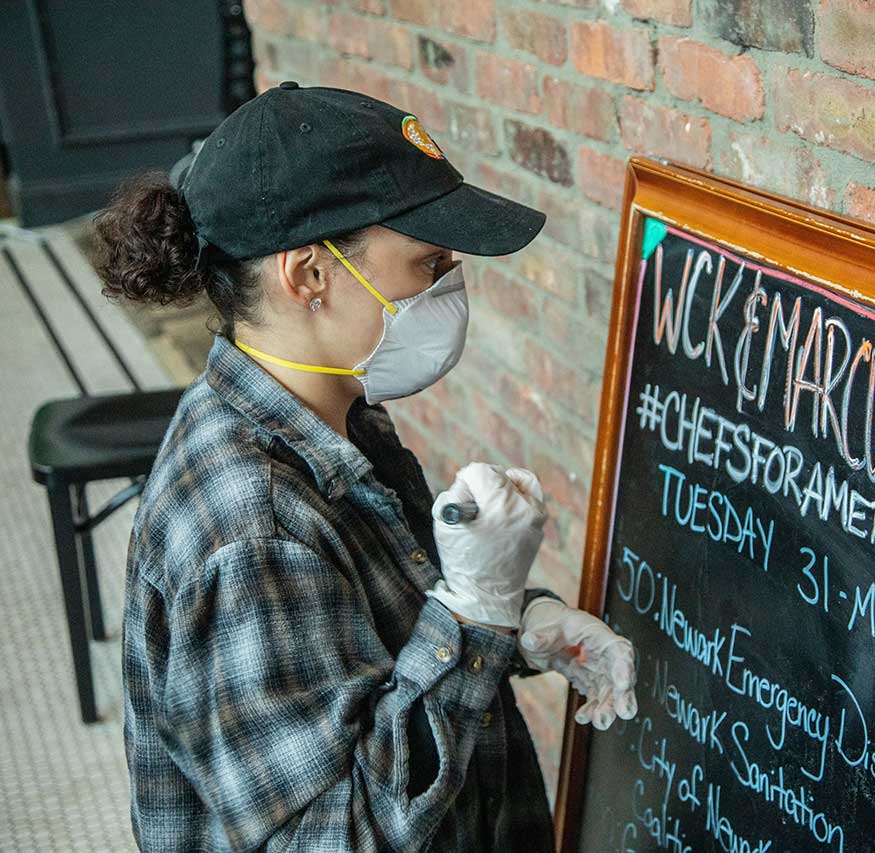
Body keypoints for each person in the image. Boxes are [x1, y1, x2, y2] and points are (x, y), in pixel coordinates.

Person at [90, 81, 637, 852]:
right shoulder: (254, 527)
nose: (449, 286)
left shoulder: (336, 415)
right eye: (428, 262)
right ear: (307, 274)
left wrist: (519, 624)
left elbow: (376, 640)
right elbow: (332, 833)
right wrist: (476, 611)